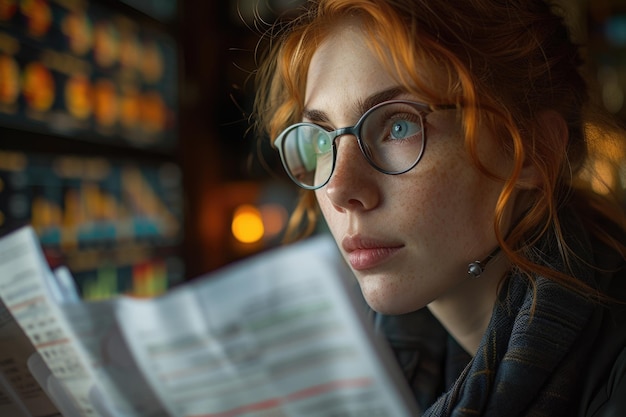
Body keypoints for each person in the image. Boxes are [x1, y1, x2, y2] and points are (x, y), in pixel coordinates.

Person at [252, 0, 626, 415]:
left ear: (532, 151)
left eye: (399, 125)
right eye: (323, 140)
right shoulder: (356, 371)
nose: (340, 189)